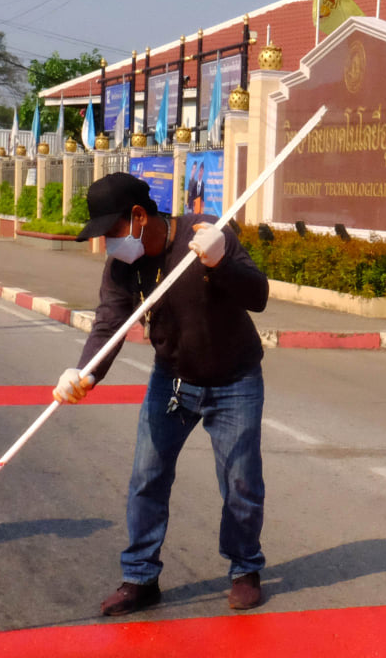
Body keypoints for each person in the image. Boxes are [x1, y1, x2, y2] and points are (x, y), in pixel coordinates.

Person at [55, 171, 269, 616]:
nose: (109, 244)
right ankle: (140, 577)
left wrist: (220, 260)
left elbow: (259, 295)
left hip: (235, 380)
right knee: (147, 479)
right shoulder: (122, 266)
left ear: (138, 216)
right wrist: (84, 372)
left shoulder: (205, 232)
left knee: (240, 482)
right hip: (171, 378)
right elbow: (109, 324)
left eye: (112, 232)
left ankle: (245, 568)